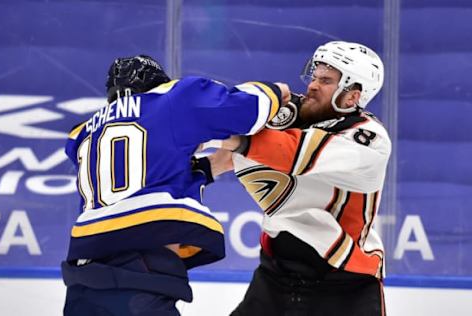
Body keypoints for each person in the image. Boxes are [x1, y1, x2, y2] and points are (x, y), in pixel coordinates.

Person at [61, 54, 290, 316]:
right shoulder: (171, 98)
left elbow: (141, 177)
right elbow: (247, 108)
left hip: (83, 273)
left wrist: (207, 169)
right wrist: (275, 91)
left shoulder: (81, 134)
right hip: (140, 271)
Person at [215, 41, 390, 315]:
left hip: (344, 284)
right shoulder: (299, 111)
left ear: (352, 97)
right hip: (277, 274)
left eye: (326, 81)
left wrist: (221, 132)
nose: (312, 85)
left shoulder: (368, 139)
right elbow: (237, 146)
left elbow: (290, 153)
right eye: (314, 76)